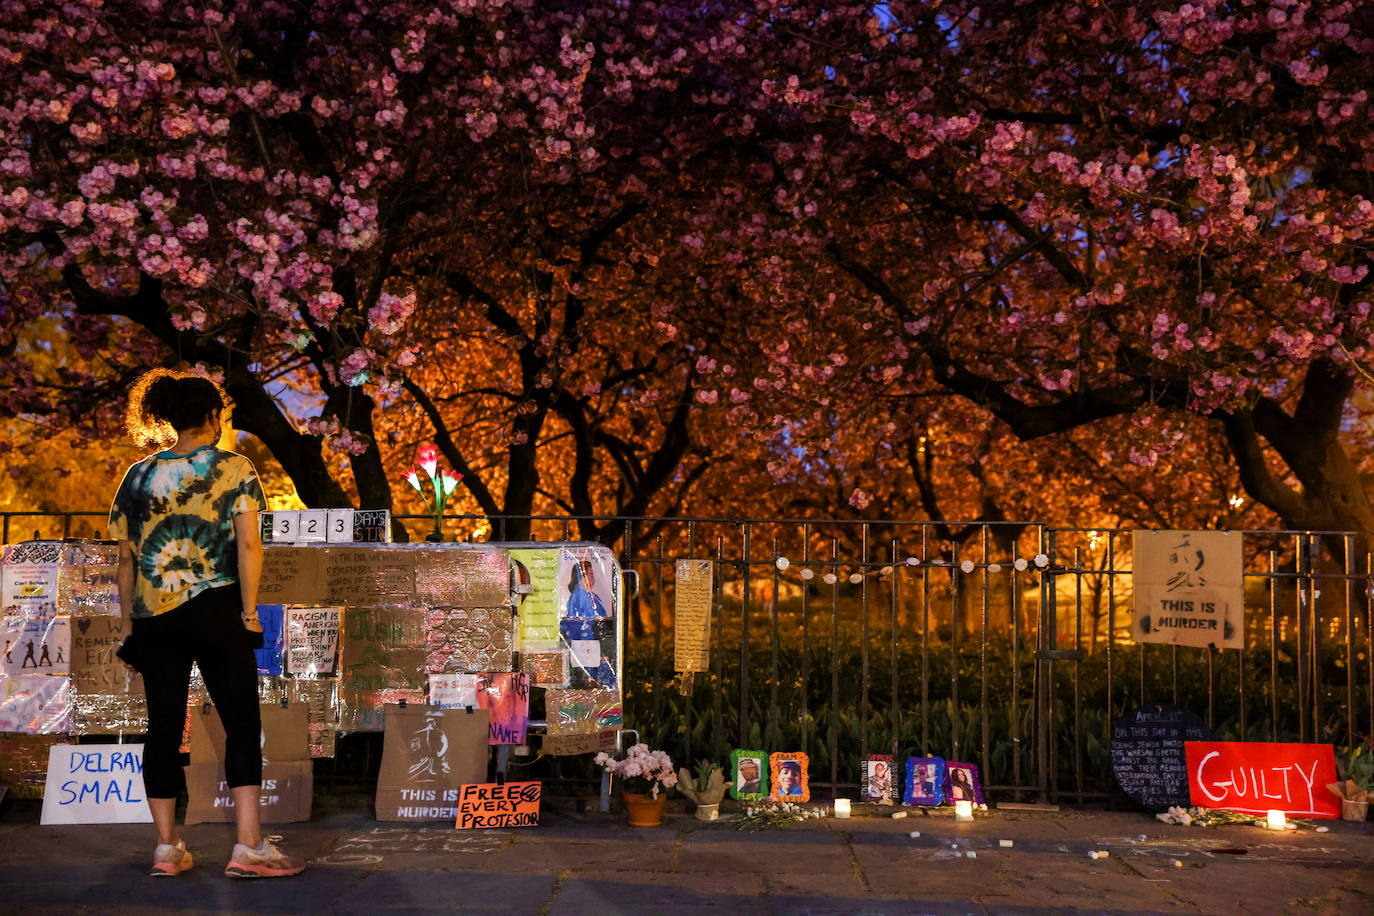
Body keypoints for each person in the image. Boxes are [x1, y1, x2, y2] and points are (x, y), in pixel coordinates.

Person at [110, 369, 302, 880]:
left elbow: (125, 560)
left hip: (154, 619)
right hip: (217, 608)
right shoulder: (234, 468)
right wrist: (248, 611)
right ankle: (248, 846)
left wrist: (130, 626)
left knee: (164, 729)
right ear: (212, 417)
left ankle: (167, 849)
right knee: (241, 724)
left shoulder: (138, 476)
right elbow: (249, 545)